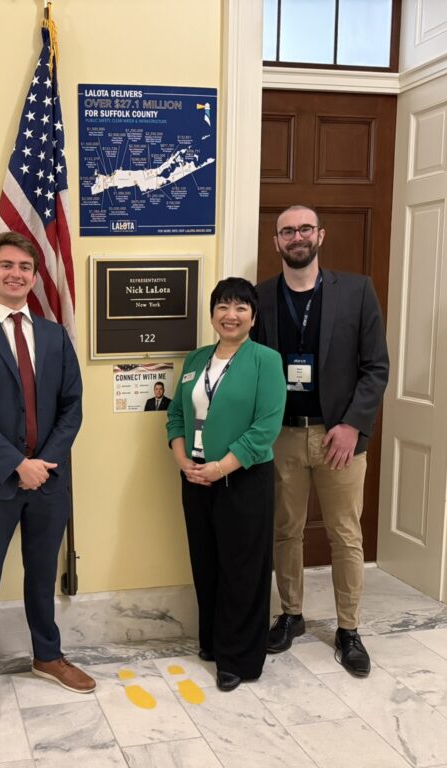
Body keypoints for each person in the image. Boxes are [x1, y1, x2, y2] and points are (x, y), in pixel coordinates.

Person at [0, 231, 92, 724]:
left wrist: (44, 462)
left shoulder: (54, 336)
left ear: (34, 277)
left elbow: (72, 406)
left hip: (50, 478)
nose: (15, 274)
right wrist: (16, 464)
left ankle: (47, 654)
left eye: (24, 268)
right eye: (6, 265)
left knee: (41, 572)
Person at [253, 204, 389, 678]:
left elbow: (376, 367)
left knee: (345, 536)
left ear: (321, 235)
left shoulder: (356, 291)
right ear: (276, 242)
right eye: (287, 231)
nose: (297, 237)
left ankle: (349, 629)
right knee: (284, 531)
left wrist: (354, 424)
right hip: (283, 436)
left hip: (340, 438)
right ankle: (290, 614)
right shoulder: (261, 297)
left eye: (304, 229)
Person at [166, 277, 286, 692]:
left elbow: (265, 428)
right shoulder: (196, 359)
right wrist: (184, 460)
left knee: (243, 570)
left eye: (240, 308)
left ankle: (239, 658)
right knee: (207, 564)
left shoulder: (266, 361)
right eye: (222, 306)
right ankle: (214, 643)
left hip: (244, 478)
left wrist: (222, 467)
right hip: (195, 478)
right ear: (212, 313)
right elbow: (176, 417)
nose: (230, 315)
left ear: (252, 317)